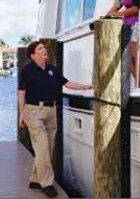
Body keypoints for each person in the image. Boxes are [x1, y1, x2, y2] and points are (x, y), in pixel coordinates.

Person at [18, 41, 92, 198]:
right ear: (32, 55)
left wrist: (86, 86)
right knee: (43, 148)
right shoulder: (27, 71)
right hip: (34, 111)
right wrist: (21, 114)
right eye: (40, 48)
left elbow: (68, 83)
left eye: (44, 48)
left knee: (48, 148)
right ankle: (47, 184)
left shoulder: (52, 69)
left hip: (51, 111)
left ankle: (35, 179)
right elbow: (21, 93)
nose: (44, 50)